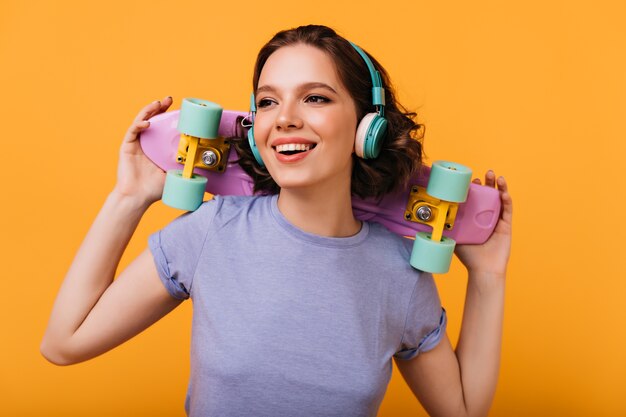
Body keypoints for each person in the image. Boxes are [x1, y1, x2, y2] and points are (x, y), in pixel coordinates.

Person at [41, 25, 513, 417]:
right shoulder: (212, 231)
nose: (284, 118)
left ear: (367, 128)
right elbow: (64, 343)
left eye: (315, 99)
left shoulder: (399, 274)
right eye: (267, 102)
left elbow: (463, 412)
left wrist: (488, 276)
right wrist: (129, 197)